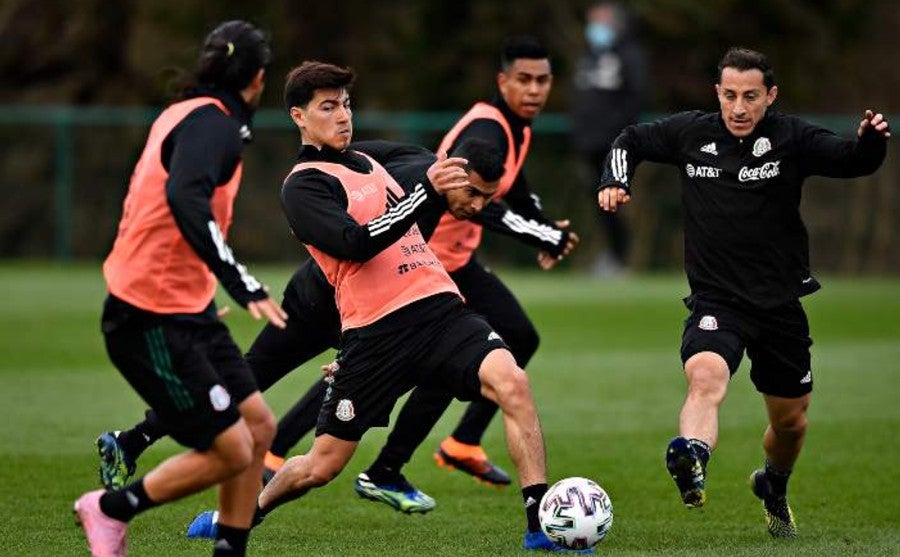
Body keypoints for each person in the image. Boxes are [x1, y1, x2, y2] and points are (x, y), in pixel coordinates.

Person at [189, 59, 574, 553]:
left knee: (513, 382)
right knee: (321, 466)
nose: (343, 115)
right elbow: (354, 243)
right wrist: (424, 193)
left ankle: (539, 526)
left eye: (346, 104)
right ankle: (240, 516)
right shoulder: (302, 185)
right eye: (328, 107)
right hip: (375, 333)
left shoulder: (372, 163)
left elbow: (439, 205)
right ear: (299, 117)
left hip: (439, 309)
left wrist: (527, 224)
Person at [95, 137, 513, 520]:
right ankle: (375, 470)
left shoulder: (423, 163)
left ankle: (133, 440)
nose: (477, 207)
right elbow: (358, 220)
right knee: (249, 379)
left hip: (356, 307)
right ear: (452, 171)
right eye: (473, 194)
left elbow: (357, 157)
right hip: (326, 303)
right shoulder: (414, 180)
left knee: (255, 375)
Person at [597, 47, 890, 538]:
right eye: (729, 95)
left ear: (769, 96)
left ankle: (773, 483)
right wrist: (614, 177)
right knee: (705, 378)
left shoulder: (791, 137)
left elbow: (852, 161)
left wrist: (872, 142)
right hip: (717, 301)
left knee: (791, 422)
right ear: (717, 93)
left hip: (780, 306)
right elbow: (631, 139)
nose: (738, 107)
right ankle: (692, 455)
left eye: (750, 96)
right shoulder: (692, 133)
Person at [73, 21, 288, 557]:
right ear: (258, 79)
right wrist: (241, 282)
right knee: (234, 449)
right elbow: (185, 197)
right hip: (148, 315)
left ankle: (230, 549)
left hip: (184, 308)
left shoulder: (186, 113)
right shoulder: (211, 124)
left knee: (259, 426)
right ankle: (109, 508)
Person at [570, 1, 649, 277]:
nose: (594, 27)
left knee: (614, 198)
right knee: (600, 202)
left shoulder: (629, 54)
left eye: (600, 21)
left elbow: (636, 96)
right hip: (589, 142)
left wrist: (619, 134)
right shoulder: (590, 55)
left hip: (613, 143)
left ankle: (620, 258)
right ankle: (613, 257)